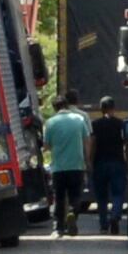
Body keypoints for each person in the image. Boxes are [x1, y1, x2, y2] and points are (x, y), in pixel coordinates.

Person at [42, 98, 89, 234]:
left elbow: (46, 146)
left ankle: (59, 227)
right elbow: (87, 141)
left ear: (54, 108)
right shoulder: (79, 120)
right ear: (67, 106)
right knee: (76, 195)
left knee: (60, 197)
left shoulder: (50, 123)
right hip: (77, 165)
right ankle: (72, 212)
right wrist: (87, 160)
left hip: (58, 167)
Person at [86, 99, 128, 234]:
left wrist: (90, 161)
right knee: (118, 193)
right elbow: (126, 145)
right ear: (113, 108)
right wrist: (127, 160)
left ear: (101, 109)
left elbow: (92, 144)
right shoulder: (121, 124)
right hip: (117, 162)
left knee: (101, 196)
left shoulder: (95, 124)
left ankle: (104, 224)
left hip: (100, 163)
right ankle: (115, 216)